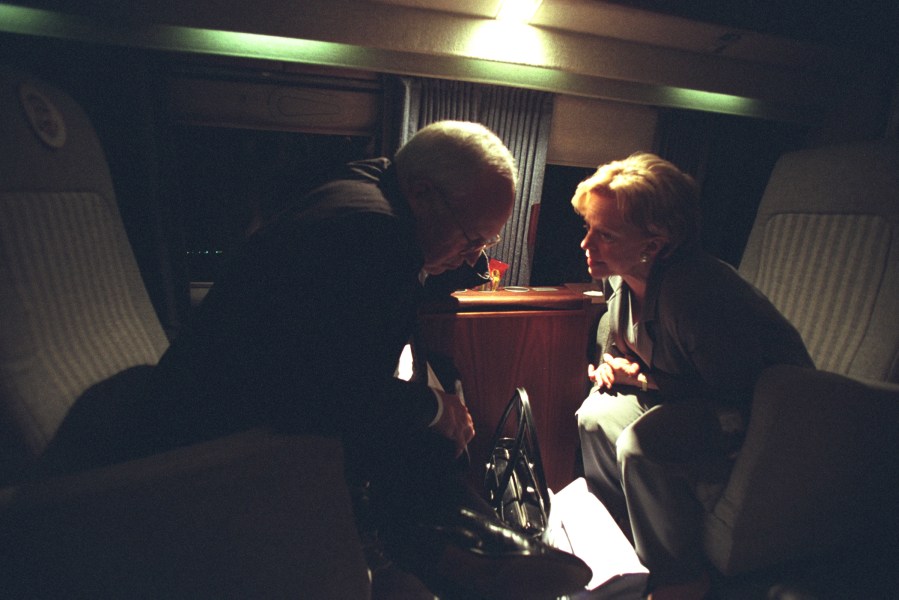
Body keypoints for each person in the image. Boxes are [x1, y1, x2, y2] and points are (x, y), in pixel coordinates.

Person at [37, 120, 591, 599]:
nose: (471, 260)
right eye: (471, 239)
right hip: (213, 441)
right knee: (422, 423)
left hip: (201, 400)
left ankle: (458, 542)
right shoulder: (375, 235)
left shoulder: (364, 187)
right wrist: (434, 408)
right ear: (422, 193)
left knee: (420, 418)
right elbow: (325, 396)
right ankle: (456, 544)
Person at [571, 152, 814, 599]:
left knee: (644, 445)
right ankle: (623, 545)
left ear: (654, 244)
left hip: (771, 415)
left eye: (605, 235)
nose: (587, 243)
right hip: (696, 394)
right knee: (594, 416)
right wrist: (611, 365)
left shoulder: (695, 293)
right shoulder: (624, 279)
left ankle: (681, 577)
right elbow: (622, 341)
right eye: (589, 228)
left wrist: (642, 382)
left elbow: (740, 391)